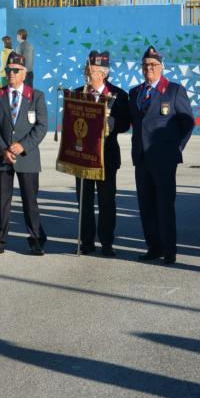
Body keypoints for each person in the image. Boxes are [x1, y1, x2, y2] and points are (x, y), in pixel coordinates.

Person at [129, 46, 194, 265]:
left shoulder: (174, 91)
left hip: (164, 160)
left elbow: (187, 123)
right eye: (146, 65)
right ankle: (153, 247)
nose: (149, 68)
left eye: (154, 65)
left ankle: (169, 249)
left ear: (162, 67)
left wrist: (176, 149)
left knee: (164, 206)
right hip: (141, 158)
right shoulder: (135, 93)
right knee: (146, 205)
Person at [0, 51, 48, 256]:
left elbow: (41, 126)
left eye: (15, 70)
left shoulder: (36, 96)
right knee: (2, 202)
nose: (10, 74)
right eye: (8, 70)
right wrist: (3, 149)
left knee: (30, 201)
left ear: (24, 73)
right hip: (2, 158)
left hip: (27, 157)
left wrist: (23, 146)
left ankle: (36, 239)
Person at [74, 51, 130, 256]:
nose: (88, 73)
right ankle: (87, 242)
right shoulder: (77, 93)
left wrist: (110, 123)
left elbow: (125, 123)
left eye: (93, 70)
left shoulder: (119, 94)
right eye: (87, 69)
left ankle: (107, 243)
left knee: (107, 202)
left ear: (103, 73)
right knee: (84, 201)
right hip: (82, 157)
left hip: (107, 157)